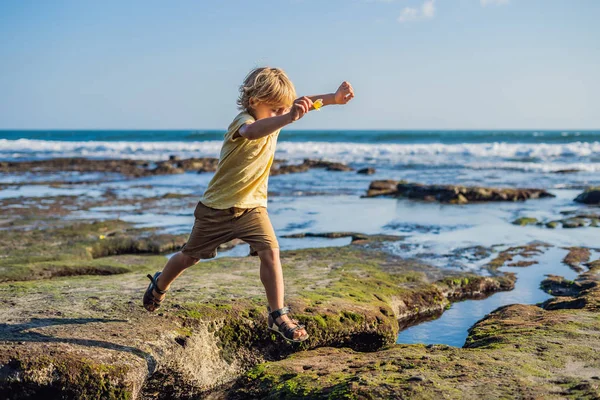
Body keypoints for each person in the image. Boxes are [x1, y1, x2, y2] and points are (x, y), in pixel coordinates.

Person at [143, 67, 354, 342]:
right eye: (275, 109)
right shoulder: (243, 121)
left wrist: (333, 99)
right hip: (216, 209)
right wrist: (288, 117)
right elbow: (252, 131)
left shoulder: (277, 116)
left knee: (271, 252)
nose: (280, 113)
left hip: (253, 208)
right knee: (189, 257)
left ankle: (278, 314)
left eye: (284, 109)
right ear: (254, 102)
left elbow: (306, 102)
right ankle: (160, 285)